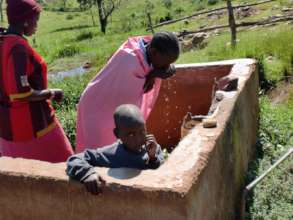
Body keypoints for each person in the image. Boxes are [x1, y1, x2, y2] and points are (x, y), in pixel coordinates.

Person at [76, 31, 180, 152]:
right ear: (153, 52)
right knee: (100, 151)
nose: (166, 66)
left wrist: (154, 73)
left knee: (117, 148)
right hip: (96, 106)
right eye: (165, 63)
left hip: (107, 105)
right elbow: (142, 85)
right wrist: (152, 74)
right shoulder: (129, 59)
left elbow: (169, 70)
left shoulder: (149, 52)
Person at [0, 0, 73, 162]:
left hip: (8, 129)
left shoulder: (3, 40)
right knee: (67, 167)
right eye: (36, 19)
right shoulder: (18, 48)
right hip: (34, 127)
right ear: (25, 19)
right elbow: (20, 93)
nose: (37, 24)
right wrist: (52, 93)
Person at [67, 104, 164, 194]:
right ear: (117, 134)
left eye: (142, 131)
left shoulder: (153, 148)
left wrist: (153, 158)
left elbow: (161, 173)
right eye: (130, 134)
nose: (138, 139)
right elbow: (75, 159)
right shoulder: (110, 154)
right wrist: (87, 174)